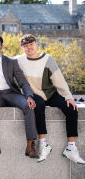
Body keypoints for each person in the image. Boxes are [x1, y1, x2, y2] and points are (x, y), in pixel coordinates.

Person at [16, 34, 84, 164]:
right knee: (38, 106)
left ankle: (71, 148)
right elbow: (1, 60)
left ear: (36, 44)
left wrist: (68, 97)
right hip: (34, 94)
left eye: (31, 44)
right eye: (26, 46)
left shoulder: (48, 59)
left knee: (71, 109)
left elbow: (59, 80)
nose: (29, 48)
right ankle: (43, 145)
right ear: (22, 48)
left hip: (50, 93)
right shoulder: (19, 60)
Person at [0, 34, 39, 159]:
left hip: (11, 93)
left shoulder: (11, 62)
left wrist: (29, 96)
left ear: (1, 46)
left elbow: (22, 81)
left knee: (29, 106)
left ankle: (30, 146)